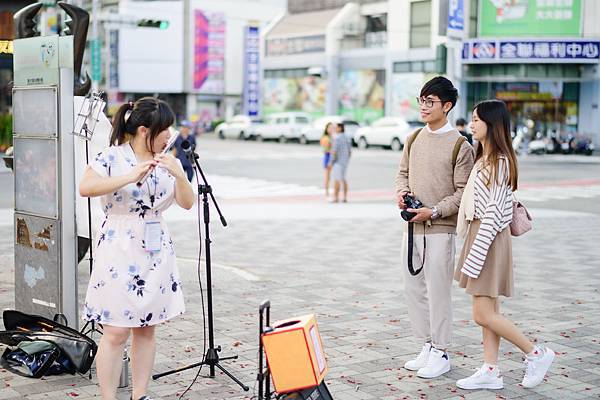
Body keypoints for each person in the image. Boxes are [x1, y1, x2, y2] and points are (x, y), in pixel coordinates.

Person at [79, 97, 194, 400]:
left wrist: (180, 174)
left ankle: (139, 394)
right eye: (164, 130)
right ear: (145, 130)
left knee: (146, 328)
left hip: (155, 249)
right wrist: (129, 176)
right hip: (119, 245)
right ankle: (108, 396)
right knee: (115, 330)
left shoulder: (168, 161)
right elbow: (86, 187)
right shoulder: (111, 157)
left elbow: (186, 202)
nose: (169, 136)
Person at [454, 100, 554, 390]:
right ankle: (490, 369)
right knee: (490, 312)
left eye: (476, 120)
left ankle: (536, 353)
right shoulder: (485, 158)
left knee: (482, 313)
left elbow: (495, 214)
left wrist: (475, 254)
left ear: (492, 124)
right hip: (481, 237)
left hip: (487, 239)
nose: (471, 124)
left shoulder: (498, 162)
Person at [394, 76, 474, 379]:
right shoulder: (413, 138)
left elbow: (463, 191)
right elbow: (402, 174)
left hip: (440, 230)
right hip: (411, 228)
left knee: (438, 291)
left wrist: (435, 211)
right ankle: (427, 345)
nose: (424, 107)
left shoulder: (459, 146)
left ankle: (441, 351)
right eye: (421, 101)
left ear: (447, 105)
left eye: (430, 102)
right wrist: (401, 193)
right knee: (413, 288)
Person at [329, 123, 351, 203]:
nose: (335, 129)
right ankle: (345, 197)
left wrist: (330, 162)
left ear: (340, 128)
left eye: (336, 128)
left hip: (338, 162)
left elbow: (334, 151)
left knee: (337, 180)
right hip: (345, 162)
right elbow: (350, 151)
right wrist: (347, 160)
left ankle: (336, 198)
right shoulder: (347, 137)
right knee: (344, 179)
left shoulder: (336, 138)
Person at [320, 122, 334, 198]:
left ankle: (329, 191)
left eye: (332, 128)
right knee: (327, 176)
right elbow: (325, 150)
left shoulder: (332, 137)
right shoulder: (325, 137)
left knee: (332, 176)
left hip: (333, 156)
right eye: (330, 128)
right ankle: (326, 192)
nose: (331, 129)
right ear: (326, 128)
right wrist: (331, 150)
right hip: (328, 157)